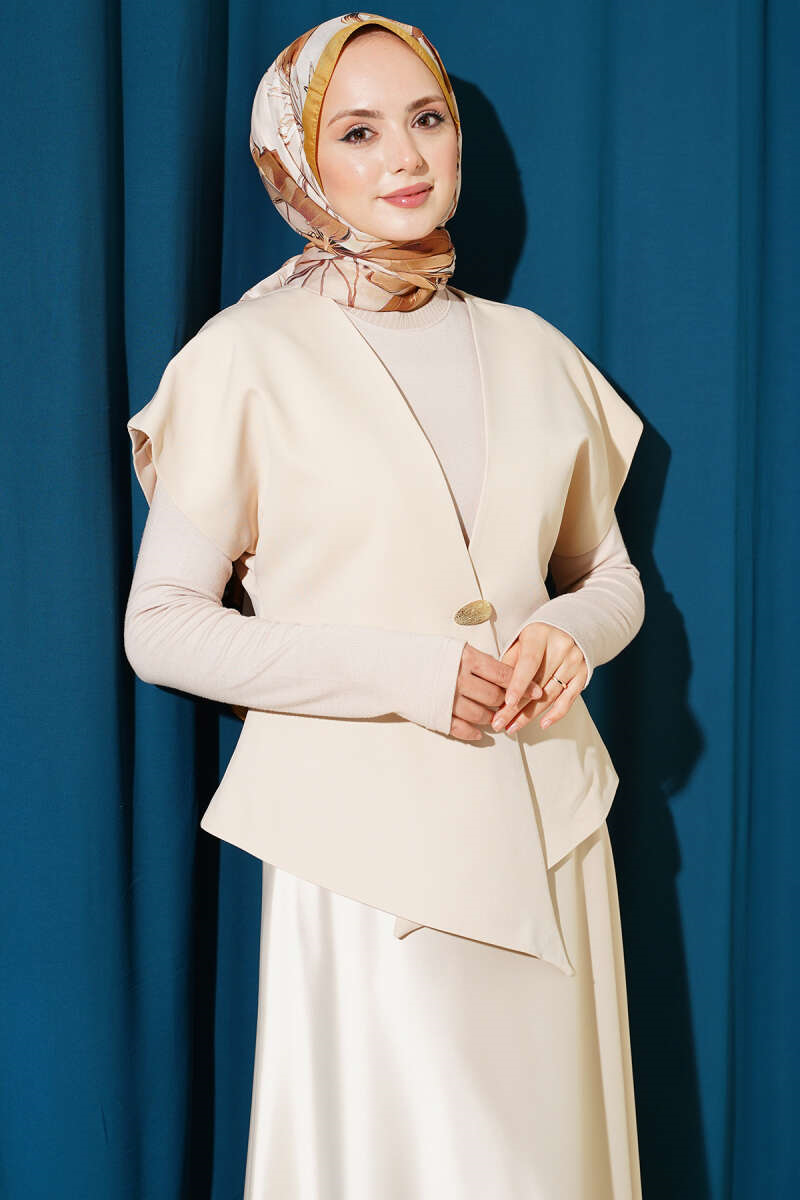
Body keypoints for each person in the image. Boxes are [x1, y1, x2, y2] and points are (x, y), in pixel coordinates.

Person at [124, 12, 646, 1197]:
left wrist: (566, 632)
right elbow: (160, 628)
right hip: (364, 856)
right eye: (356, 132)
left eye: (425, 120)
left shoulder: (533, 351)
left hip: (553, 828)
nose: (404, 157)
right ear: (296, 162)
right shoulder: (244, 356)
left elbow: (610, 579)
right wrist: (402, 675)